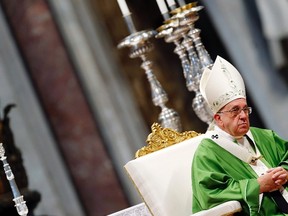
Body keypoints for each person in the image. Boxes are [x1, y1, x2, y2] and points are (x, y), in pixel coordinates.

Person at [192, 56, 288, 215]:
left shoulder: (263, 136)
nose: (243, 115)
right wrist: (257, 186)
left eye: (245, 109)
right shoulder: (207, 154)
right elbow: (210, 197)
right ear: (218, 118)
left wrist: (285, 171)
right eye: (235, 110)